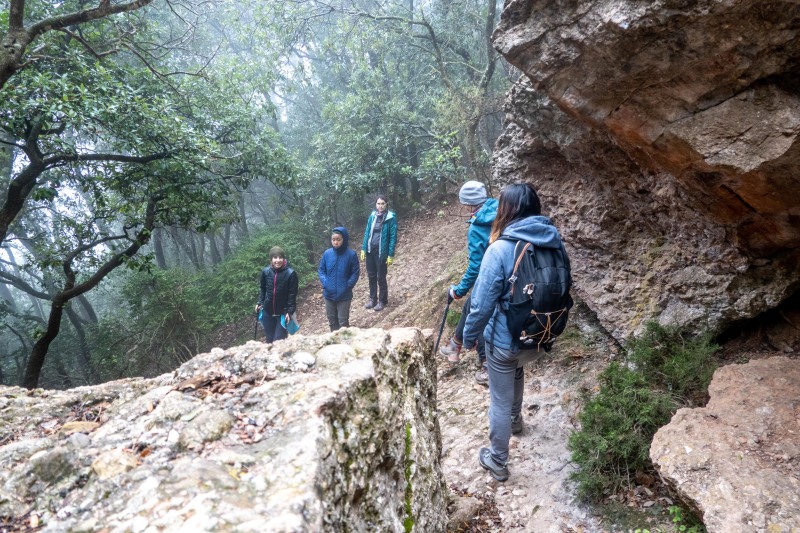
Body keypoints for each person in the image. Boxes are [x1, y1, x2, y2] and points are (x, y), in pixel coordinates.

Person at [462, 183, 570, 482]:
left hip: (506, 341)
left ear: (506, 210)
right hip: (540, 335)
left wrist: (469, 337)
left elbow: (480, 305)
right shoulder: (554, 241)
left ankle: (497, 460)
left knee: (499, 394)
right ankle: (516, 420)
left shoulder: (500, 249)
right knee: (517, 370)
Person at [438, 181, 498, 386]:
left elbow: (475, 267)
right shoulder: (501, 209)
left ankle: (487, 365)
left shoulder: (476, 227)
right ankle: (455, 345)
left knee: (480, 313)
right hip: (513, 271)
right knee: (472, 306)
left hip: (492, 278)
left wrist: (458, 290)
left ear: (470, 204)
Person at [318, 226, 360, 331]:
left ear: (344, 240)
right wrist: (325, 282)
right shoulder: (327, 254)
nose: (336, 242)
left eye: (338, 240)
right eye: (333, 240)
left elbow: (355, 272)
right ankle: (334, 343)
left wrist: (348, 285)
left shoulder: (351, 255)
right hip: (328, 294)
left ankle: (345, 344)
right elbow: (321, 270)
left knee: (343, 322)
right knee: (332, 321)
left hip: (344, 295)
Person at [360, 194, 397, 311]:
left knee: (381, 277)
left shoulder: (390, 218)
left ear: (386, 204)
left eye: (382, 204)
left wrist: (390, 255)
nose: (380, 206)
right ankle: (372, 299)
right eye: (378, 204)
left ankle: (382, 300)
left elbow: (393, 237)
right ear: (375, 204)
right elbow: (367, 233)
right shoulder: (372, 216)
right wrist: (363, 248)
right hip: (371, 251)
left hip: (382, 253)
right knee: (371, 276)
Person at [256, 246, 299, 344]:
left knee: (278, 342)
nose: (278, 260)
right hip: (268, 312)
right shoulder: (266, 272)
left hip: (282, 314)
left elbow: (292, 295)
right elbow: (263, 289)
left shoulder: (290, 273)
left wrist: (290, 311)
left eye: (280, 257)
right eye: (275, 257)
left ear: (284, 258)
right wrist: (260, 302)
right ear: (271, 259)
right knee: (269, 341)